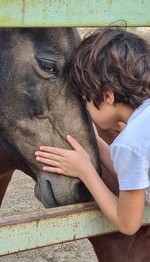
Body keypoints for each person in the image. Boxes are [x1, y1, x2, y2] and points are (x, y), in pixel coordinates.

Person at [35, 27, 150, 235]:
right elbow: (139, 172)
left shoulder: (130, 143)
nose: (86, 108)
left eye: (86, 99)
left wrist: (85, 172)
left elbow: (128, 224)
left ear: (107, 97)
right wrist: (96, 143)